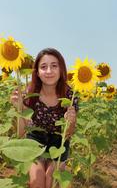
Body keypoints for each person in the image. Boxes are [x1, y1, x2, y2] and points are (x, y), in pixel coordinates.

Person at [11, 48, 78, 188]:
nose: (49, 71)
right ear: (37, 72)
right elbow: (21, 133)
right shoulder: (30, 93)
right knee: (37, 181)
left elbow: (69, 134)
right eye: (43, 67)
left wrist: (70, 122)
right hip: (35, 139)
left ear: (61, 69)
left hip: (59, 141)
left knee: (53, 181)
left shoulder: (69, 95)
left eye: (54, 66)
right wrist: (19, 109)